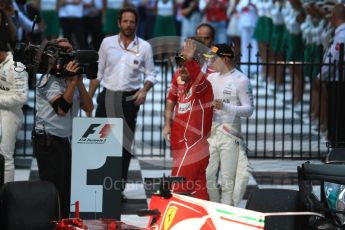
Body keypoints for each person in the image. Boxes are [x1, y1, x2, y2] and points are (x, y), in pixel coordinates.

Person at [88, 7, 156, 200]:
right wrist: (89, 101)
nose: (128, 25)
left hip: (129, 99)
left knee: (123, 146)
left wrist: (144, 90)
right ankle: (98, 184)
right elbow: (98, 73)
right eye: (125, 21)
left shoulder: (144, 47)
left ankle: (118, 188)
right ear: (119, 23)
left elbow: (151, 73)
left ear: (137, 24)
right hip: (107, 96)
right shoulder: (107, 43)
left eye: (132, 22)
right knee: (100, 142)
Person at [32, 38, 93, 218]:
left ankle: (63, 224)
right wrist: (73, 83)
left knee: (66, 189)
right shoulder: (48, 79)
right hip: (48, 140)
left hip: (63, 140)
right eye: (64, 53)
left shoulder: (71, 80)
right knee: (53, 190)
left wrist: (79, 82)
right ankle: (51, 224)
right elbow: (61, 109)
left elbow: (88, 108)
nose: (69, 58)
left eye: (70, 53)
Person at [163, 39, 213, 200]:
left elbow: (198, 80)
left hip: (194, 147)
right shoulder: (181, 81)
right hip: (181, 145)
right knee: (199, 190)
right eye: (180, 64)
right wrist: (168, 126)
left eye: (185, 64)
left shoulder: (203, 86)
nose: (180, 69)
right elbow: (172, 101)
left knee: (177, 190)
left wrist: (191, 61)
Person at [205, 43, 253, 206]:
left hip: (231, 134)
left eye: (213, 59)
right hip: (212, 133)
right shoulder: (210, 78)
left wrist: (225, 107)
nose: (210, 62)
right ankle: (214, 206)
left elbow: (249, 110)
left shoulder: (241, 80)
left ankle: (226, 213)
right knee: (208, 174)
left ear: (225, 59)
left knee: (227, 179)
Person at [0, 7, 28, 183]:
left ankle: (7, 195)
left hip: (11, 115)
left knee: (6, 155)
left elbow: (22, 97)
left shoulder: (16, 66)